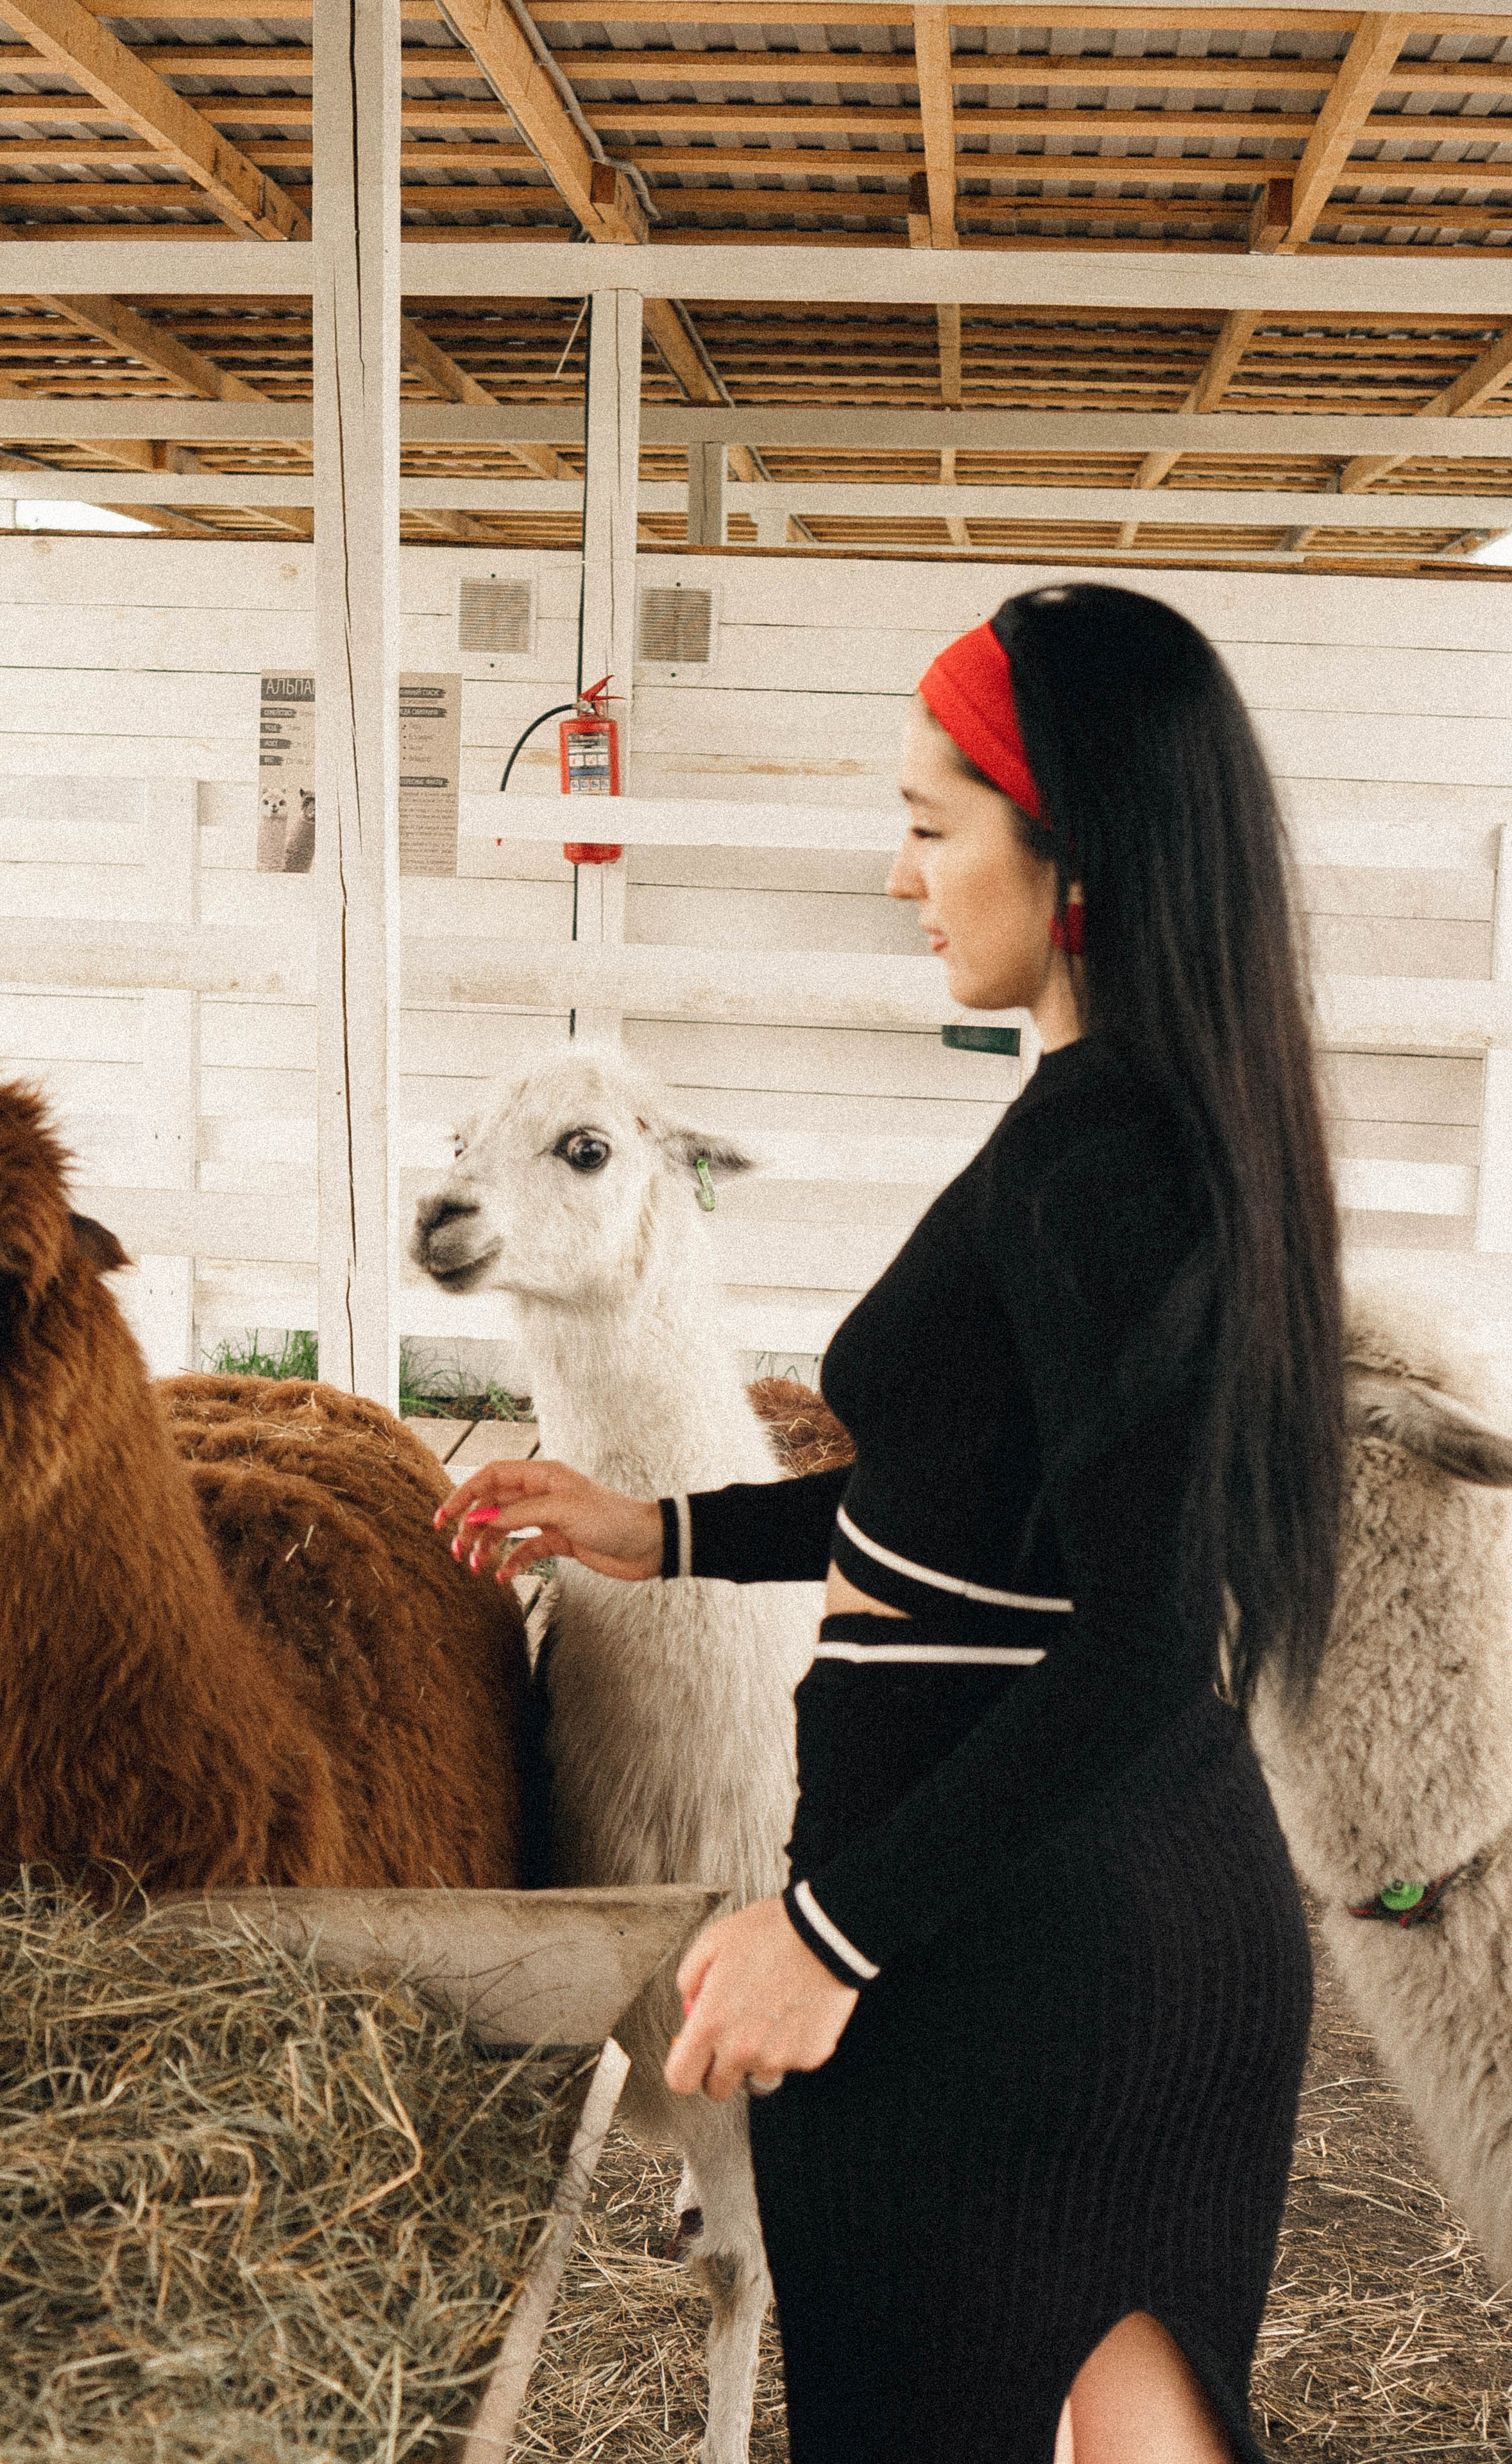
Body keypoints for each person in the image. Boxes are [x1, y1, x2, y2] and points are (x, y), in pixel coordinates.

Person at [435, 583, 1343, 2464]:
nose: (899, 874)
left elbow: (1148, 1640)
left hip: (1024, 1965)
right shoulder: (1130, 1124)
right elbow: (986, 1514)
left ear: (1073, 856)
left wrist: (828, 1934)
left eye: (934, 827)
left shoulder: (1110, 1169)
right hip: (1071, 1929)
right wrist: (670, 1534)